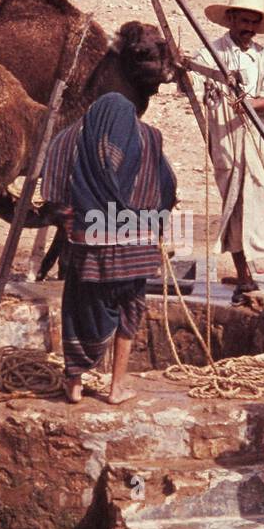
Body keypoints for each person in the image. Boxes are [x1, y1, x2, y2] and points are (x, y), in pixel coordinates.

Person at [40, 92, 176, 405]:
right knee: (130, 308)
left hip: (90, 246)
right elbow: (167, 185)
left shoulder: (72, 139)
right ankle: (116, 388)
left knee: (79, 307)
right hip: (137, 246)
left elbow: (55, 191)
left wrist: (69, 217)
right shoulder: (148, 138)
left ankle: (74, 381)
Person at [190, 0, 264, 306]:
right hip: (228, 144)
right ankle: (244, 278)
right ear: (232, 19)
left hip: (261, 142)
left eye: (253, 22)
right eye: (244, 21)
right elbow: (193, 78)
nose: (248, 27)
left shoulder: (263, 57)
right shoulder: (211, 53)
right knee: (235, 209)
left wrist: (255, 103)